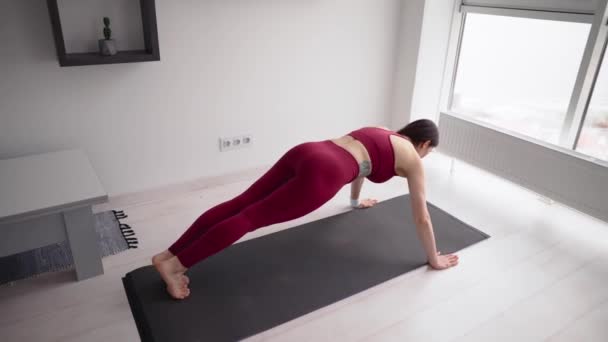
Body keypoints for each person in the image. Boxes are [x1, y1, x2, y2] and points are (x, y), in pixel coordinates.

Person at [152, 119, 459, 299]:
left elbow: (362, 164)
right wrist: (434, 259)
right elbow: (422, 215)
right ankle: (176, 266)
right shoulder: (414, 159)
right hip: (325, 171)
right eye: (429, 151)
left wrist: (354, 202)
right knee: (249, 218)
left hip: (310, 150)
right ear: (425, 144)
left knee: (240, 204)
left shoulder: (382, 131)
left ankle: (169, 255)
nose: (427, 156)